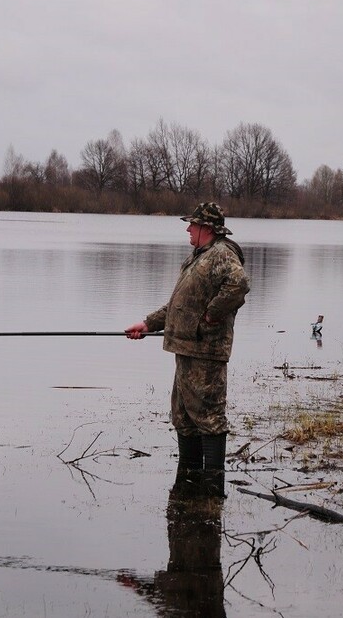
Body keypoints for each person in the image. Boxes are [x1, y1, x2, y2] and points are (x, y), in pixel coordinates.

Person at [125, 202, 249, 494]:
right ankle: (189, 483)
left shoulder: (222, 253)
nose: (188, 229)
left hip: (205, 351)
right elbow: (180, 304)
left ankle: (213, 486)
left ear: (207, 228)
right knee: (183, 417)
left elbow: (239, 285)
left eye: (192, 224)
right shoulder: (199, 256)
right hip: (186, 348)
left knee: (209, 418)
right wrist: (148, 324)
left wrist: (211, 315)